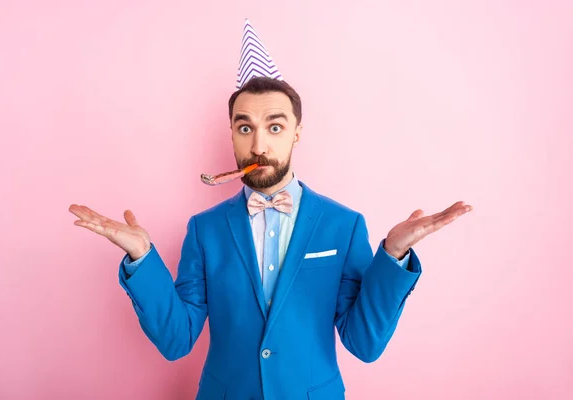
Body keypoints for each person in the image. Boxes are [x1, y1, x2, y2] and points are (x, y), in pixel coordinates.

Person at [68, 19, 472, 400]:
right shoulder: (204, 230)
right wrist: (142, 259)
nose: (258, 144)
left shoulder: (344, 226)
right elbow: (177, 339)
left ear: (297, 132)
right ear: (232, 134)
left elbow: (364, 344)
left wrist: (393, 257)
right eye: (245, 128)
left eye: (275, 127)